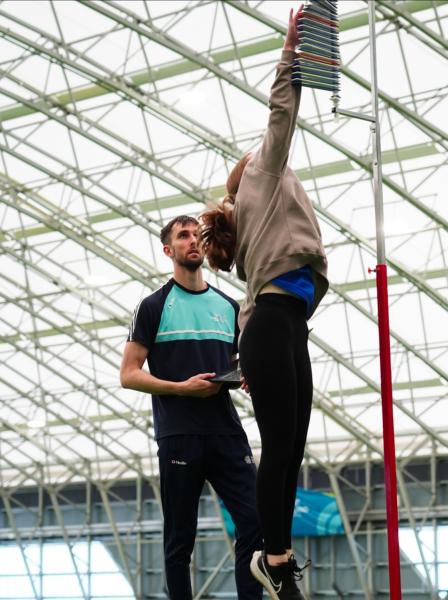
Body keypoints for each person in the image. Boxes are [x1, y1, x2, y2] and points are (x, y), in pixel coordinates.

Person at [200, 5, 328, 599]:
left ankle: (277, 561)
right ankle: (271, 560)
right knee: (280, 446)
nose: (265, 149)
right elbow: (283, 109)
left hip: (282, 327)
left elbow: (254, 301)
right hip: (275, 325)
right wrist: (291, 49)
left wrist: (246, 361)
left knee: (291, 444)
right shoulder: (262, 175)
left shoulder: (260, 208)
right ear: (246, 173)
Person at [120, 215, 263, 600]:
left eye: (196, 235)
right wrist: (180, 388)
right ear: (169, 250)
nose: (193, 241)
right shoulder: (153, 306)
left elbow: (240, 363)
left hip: (226, 432)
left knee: (255, 521)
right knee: (180, 537)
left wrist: (246, 374)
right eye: (183, 236)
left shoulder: (229, 306)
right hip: (179, 435)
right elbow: (129, 374)